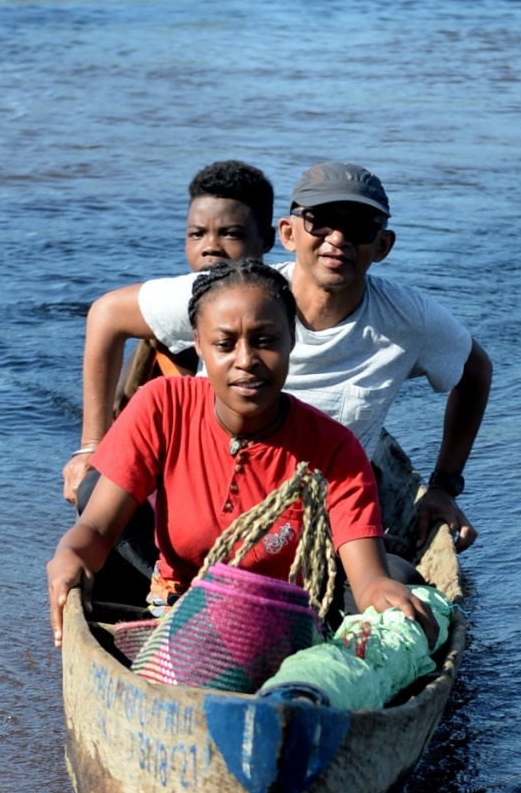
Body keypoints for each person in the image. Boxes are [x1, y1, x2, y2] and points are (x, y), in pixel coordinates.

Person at [62, 161, 492, 551]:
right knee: (95, 490)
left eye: (360, 226)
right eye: (320, 222)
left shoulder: (408, 319)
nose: (337, 239)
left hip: (318, 515)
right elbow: (106, 315)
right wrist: (91, 446)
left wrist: (444, 486)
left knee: (394, 577)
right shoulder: (238, 298)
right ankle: (158, 585)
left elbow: (475, 373)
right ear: (288, 234)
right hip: (206, 496)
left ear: (382, 245)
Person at [47, 261, 439, 650]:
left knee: (402, 579)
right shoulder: (162, 405)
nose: (246, 359)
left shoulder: (333, 447)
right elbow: (96, 532)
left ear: (291, 339)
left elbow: (369, 578)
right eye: (224, 343)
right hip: (176, 604)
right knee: (93, 499)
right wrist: (69, 555)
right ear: (199, 344)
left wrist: (385, 594)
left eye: (266, 340)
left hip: (282, 619)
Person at [62, 159, 275, 501]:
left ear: (267, 239)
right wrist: (91, 445)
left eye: (231, 234)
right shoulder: (182, 300)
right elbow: (106, 315)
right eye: (196, 234)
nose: (210, 247)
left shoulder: (280, 295)